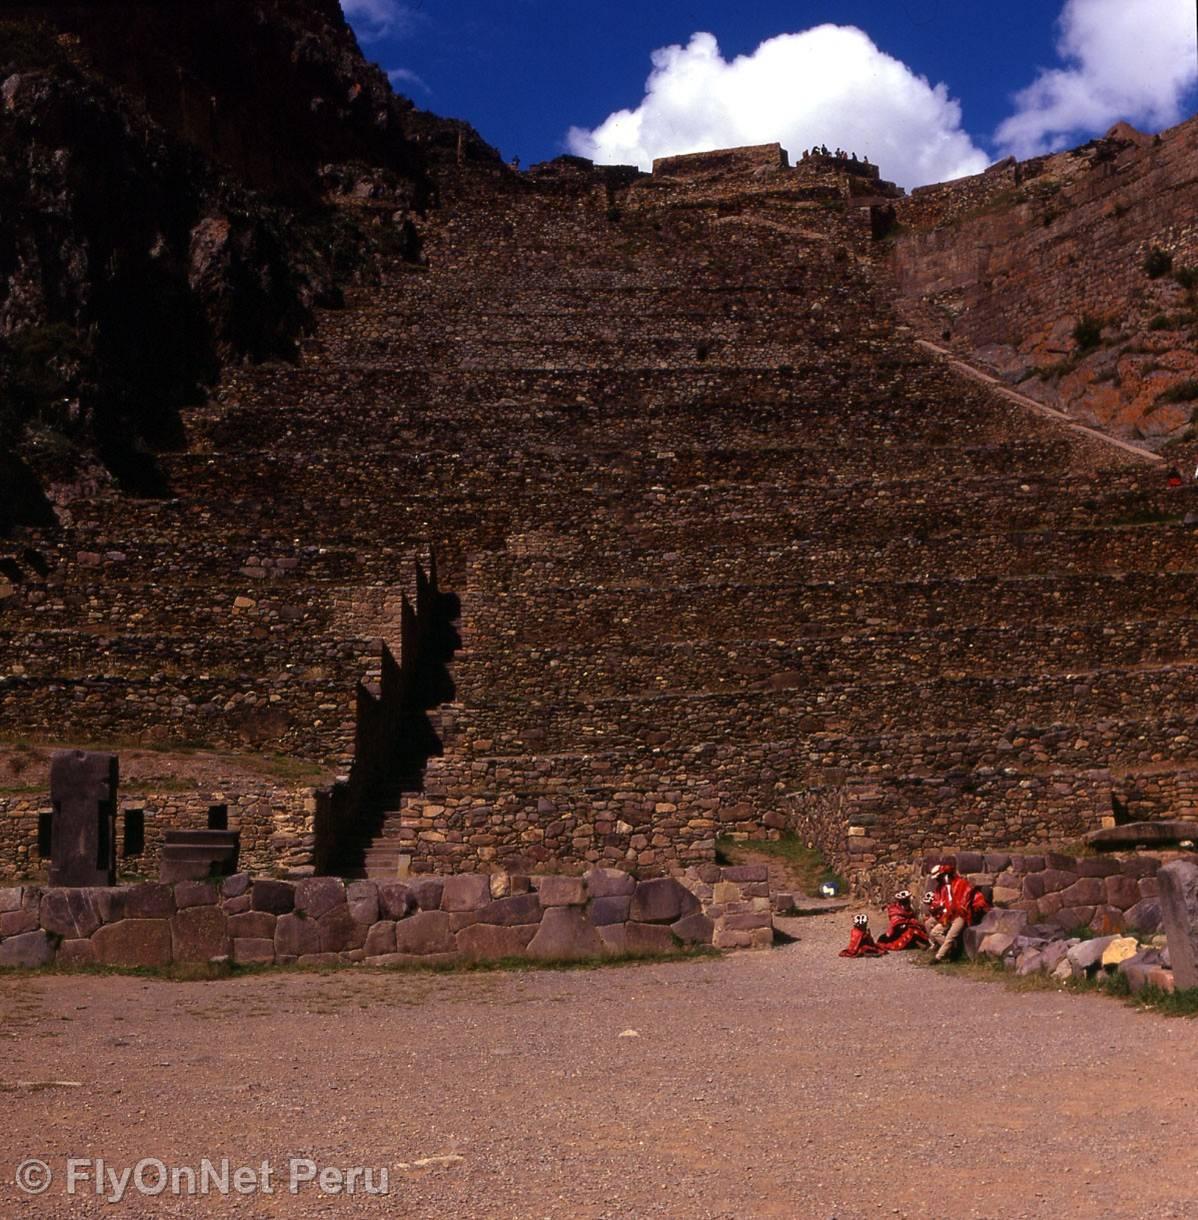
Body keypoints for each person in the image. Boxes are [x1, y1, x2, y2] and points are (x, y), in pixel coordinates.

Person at [927, 859, 977, 961]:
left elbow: (966, 897)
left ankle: (938, 957)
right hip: (947, 916)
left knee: (950, 936)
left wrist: (958, 907)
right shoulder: (942, 888)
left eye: (940, 877)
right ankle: (951, 950)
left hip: (960, 915)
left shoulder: (960, 883)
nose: (939, 879)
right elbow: (940, 901)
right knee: (934, 932)